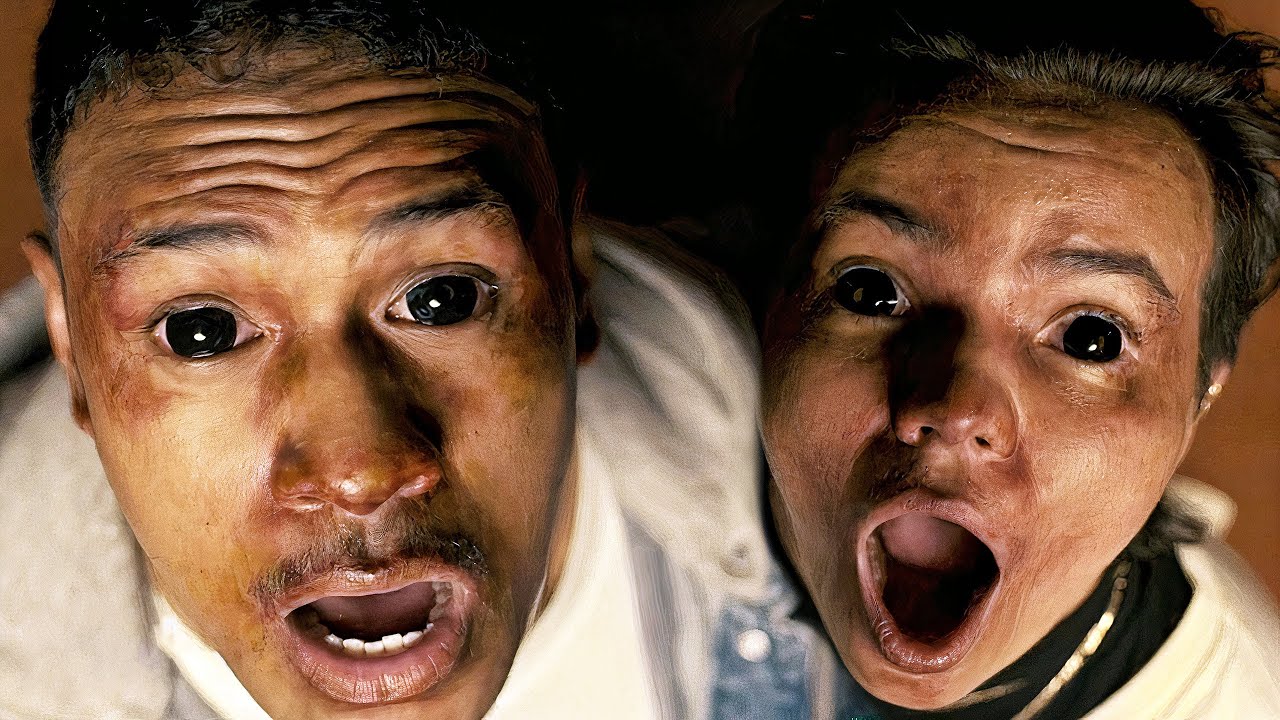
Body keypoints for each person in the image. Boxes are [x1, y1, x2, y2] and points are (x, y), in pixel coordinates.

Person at [0, 1, 848, 718]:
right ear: (73, 342)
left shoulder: (854, 486)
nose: (361, 474)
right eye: (202, 332)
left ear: (571, 269)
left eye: (442, 298)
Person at [737, 1, 1280, 717]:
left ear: (1199, 397)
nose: (957, 410)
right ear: (768, 297)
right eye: (870, 291)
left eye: (1091, 338)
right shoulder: (629, 439)